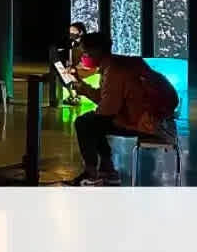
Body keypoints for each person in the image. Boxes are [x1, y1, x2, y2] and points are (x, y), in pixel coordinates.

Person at [66, 33, 179, 186]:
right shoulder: (118, 63)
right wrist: (85, 89)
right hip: (151, 117)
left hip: (144, 122)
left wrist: (85, 92)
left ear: (97, 51)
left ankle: (92, 173)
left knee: (85, 123)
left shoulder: (114, 70)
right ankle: (107, 169)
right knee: (93, 121)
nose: (84, 57)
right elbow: (109, 98)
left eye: (86, 52)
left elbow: (107, 109)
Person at [61, 22, 88, 105]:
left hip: (85, 68)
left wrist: (74, 68)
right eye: (70, 30)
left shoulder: (85, 44)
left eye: (74, 30)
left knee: (71, 74)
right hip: (76, 67)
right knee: (62, 73)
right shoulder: (72, 43)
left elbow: (86, 61)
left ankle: (76, 96)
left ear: (81, 32)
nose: (71, 32)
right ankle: (73, 95)